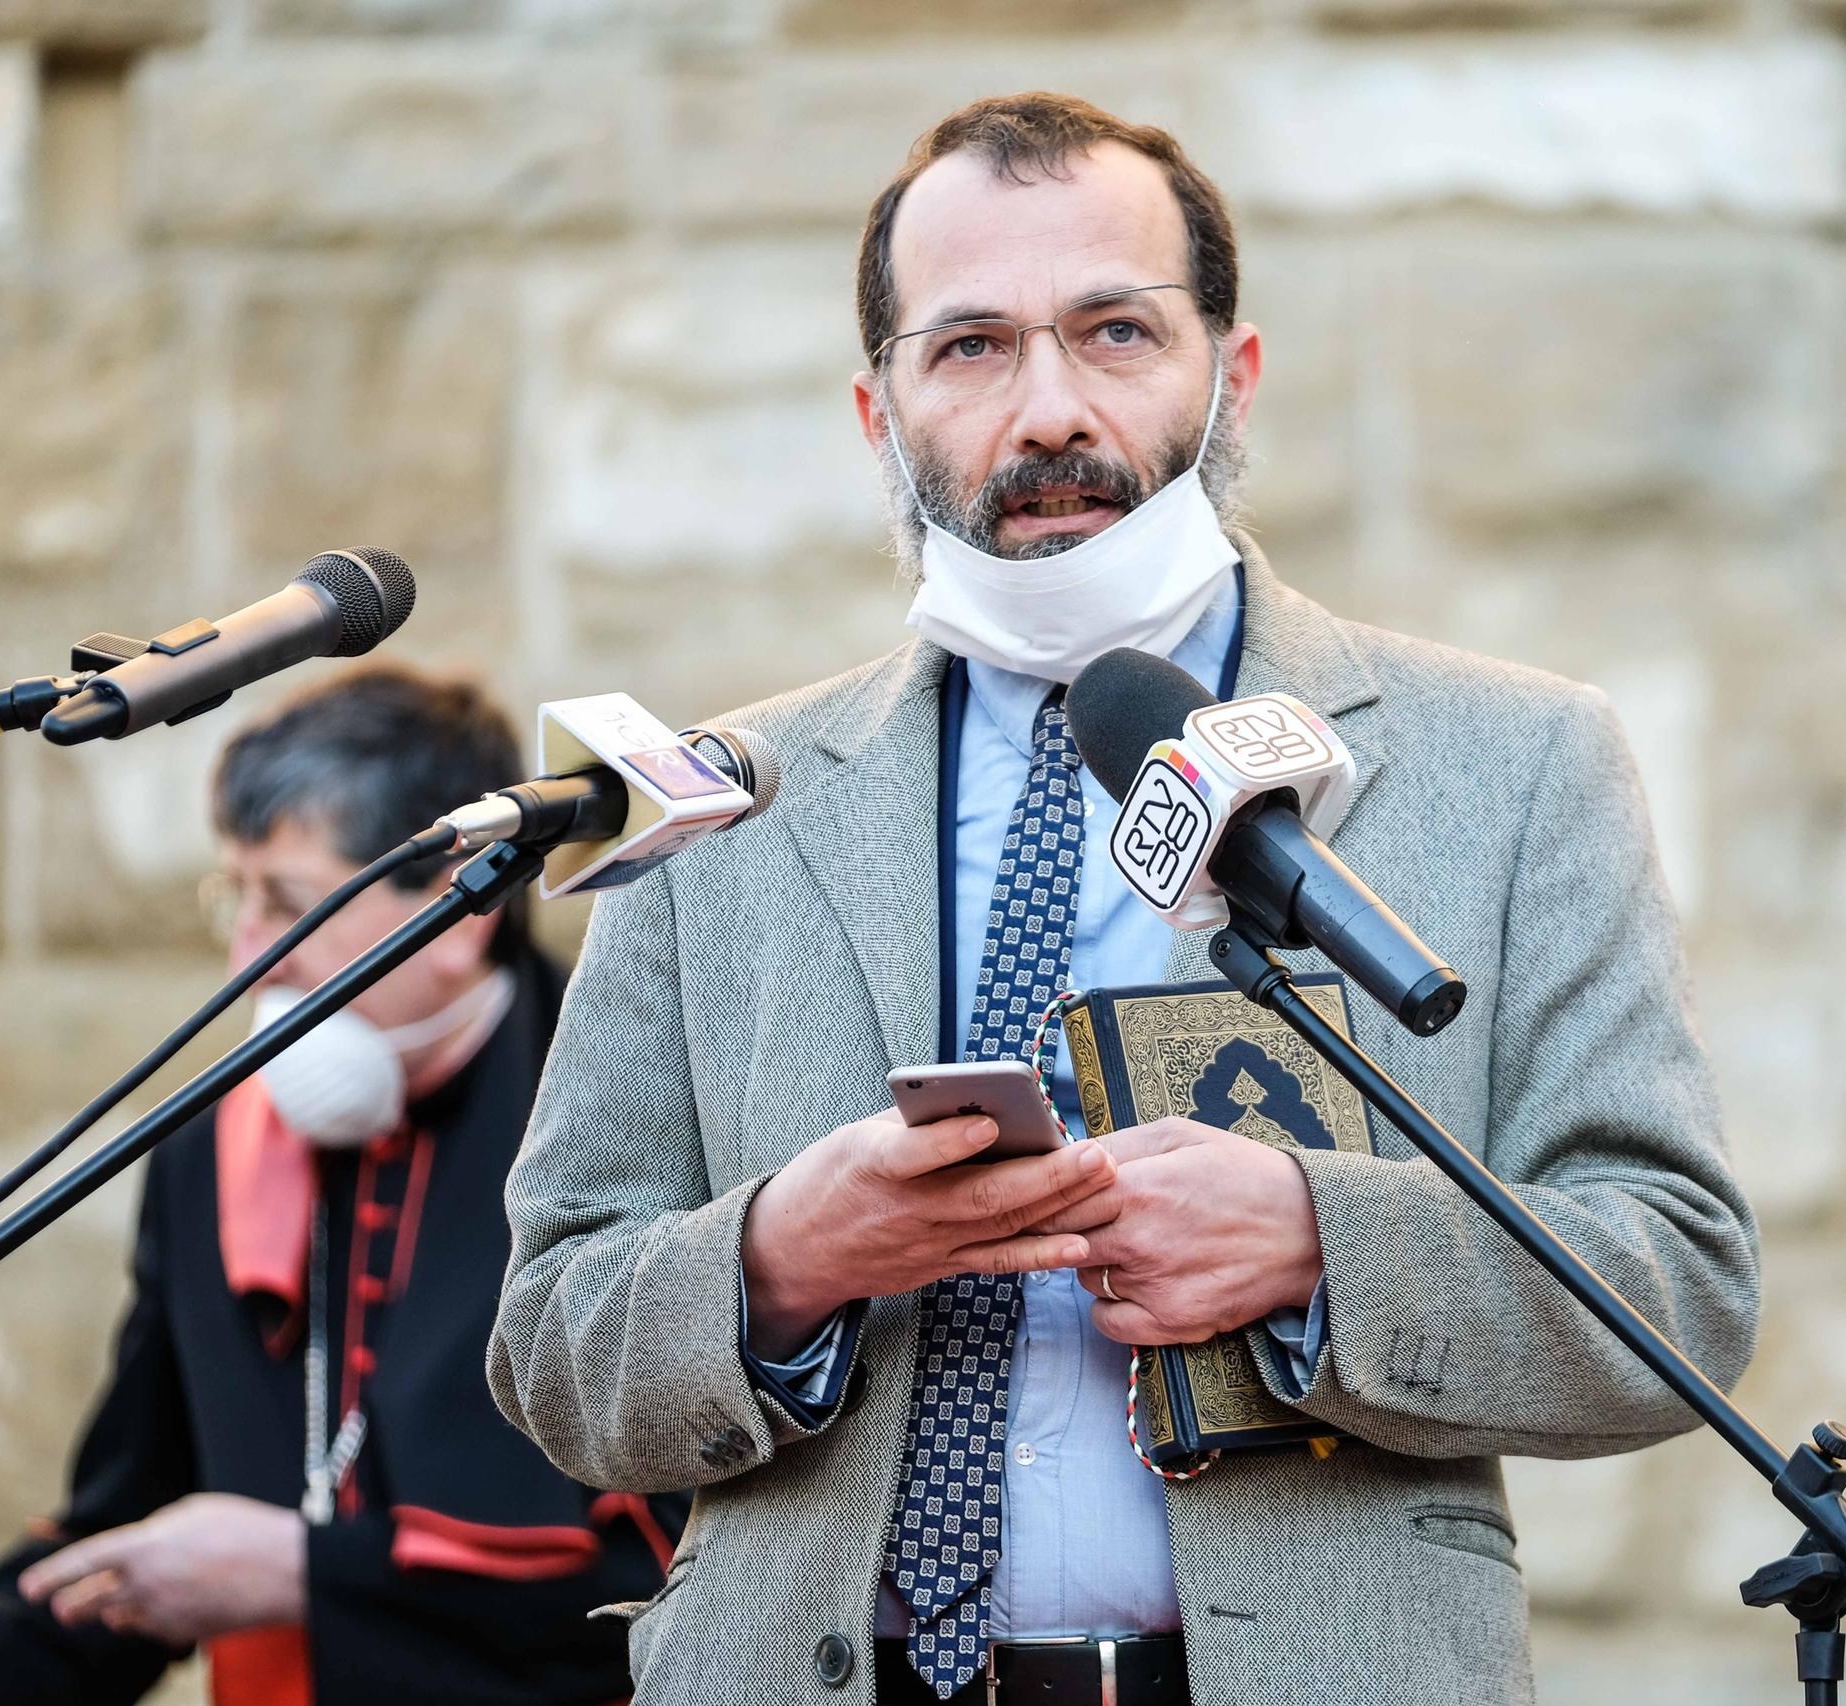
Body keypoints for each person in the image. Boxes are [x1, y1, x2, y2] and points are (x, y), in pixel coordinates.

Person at [490, 93, 1760, 1706]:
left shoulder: (1511, 763)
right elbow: (548, 1345)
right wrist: (780, 1262)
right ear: (880, 416)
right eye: (969, 348)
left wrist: (1318, 1241)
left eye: (1115, 332)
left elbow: (1676, 1288)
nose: (1049, 413)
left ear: (1230, 375)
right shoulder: (725, 796)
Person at [0, 666, 681, 1706]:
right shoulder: (209, 1151)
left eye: (285, 902)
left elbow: (675, 1580)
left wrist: (302, 1571)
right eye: (235, 898)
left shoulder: (637, 1129)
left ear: (460, 912)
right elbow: (127, 1529)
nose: (246, 956)